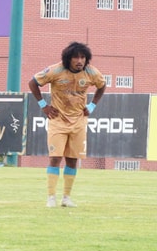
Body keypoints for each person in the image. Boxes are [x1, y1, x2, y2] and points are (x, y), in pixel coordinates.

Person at [28, 41, 106, 207]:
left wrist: (92, 105)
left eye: (83, 57)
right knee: (55, 158)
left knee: (72, 160)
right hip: (58, 121)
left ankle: (66, 198)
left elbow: (102, 85)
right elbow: (33, 82)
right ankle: (51, 197)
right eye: (76, 57)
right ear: (68, 59)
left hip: (78, 122)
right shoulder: (56, 70)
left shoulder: (91, 72)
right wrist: (44, 105)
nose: (79, 61)